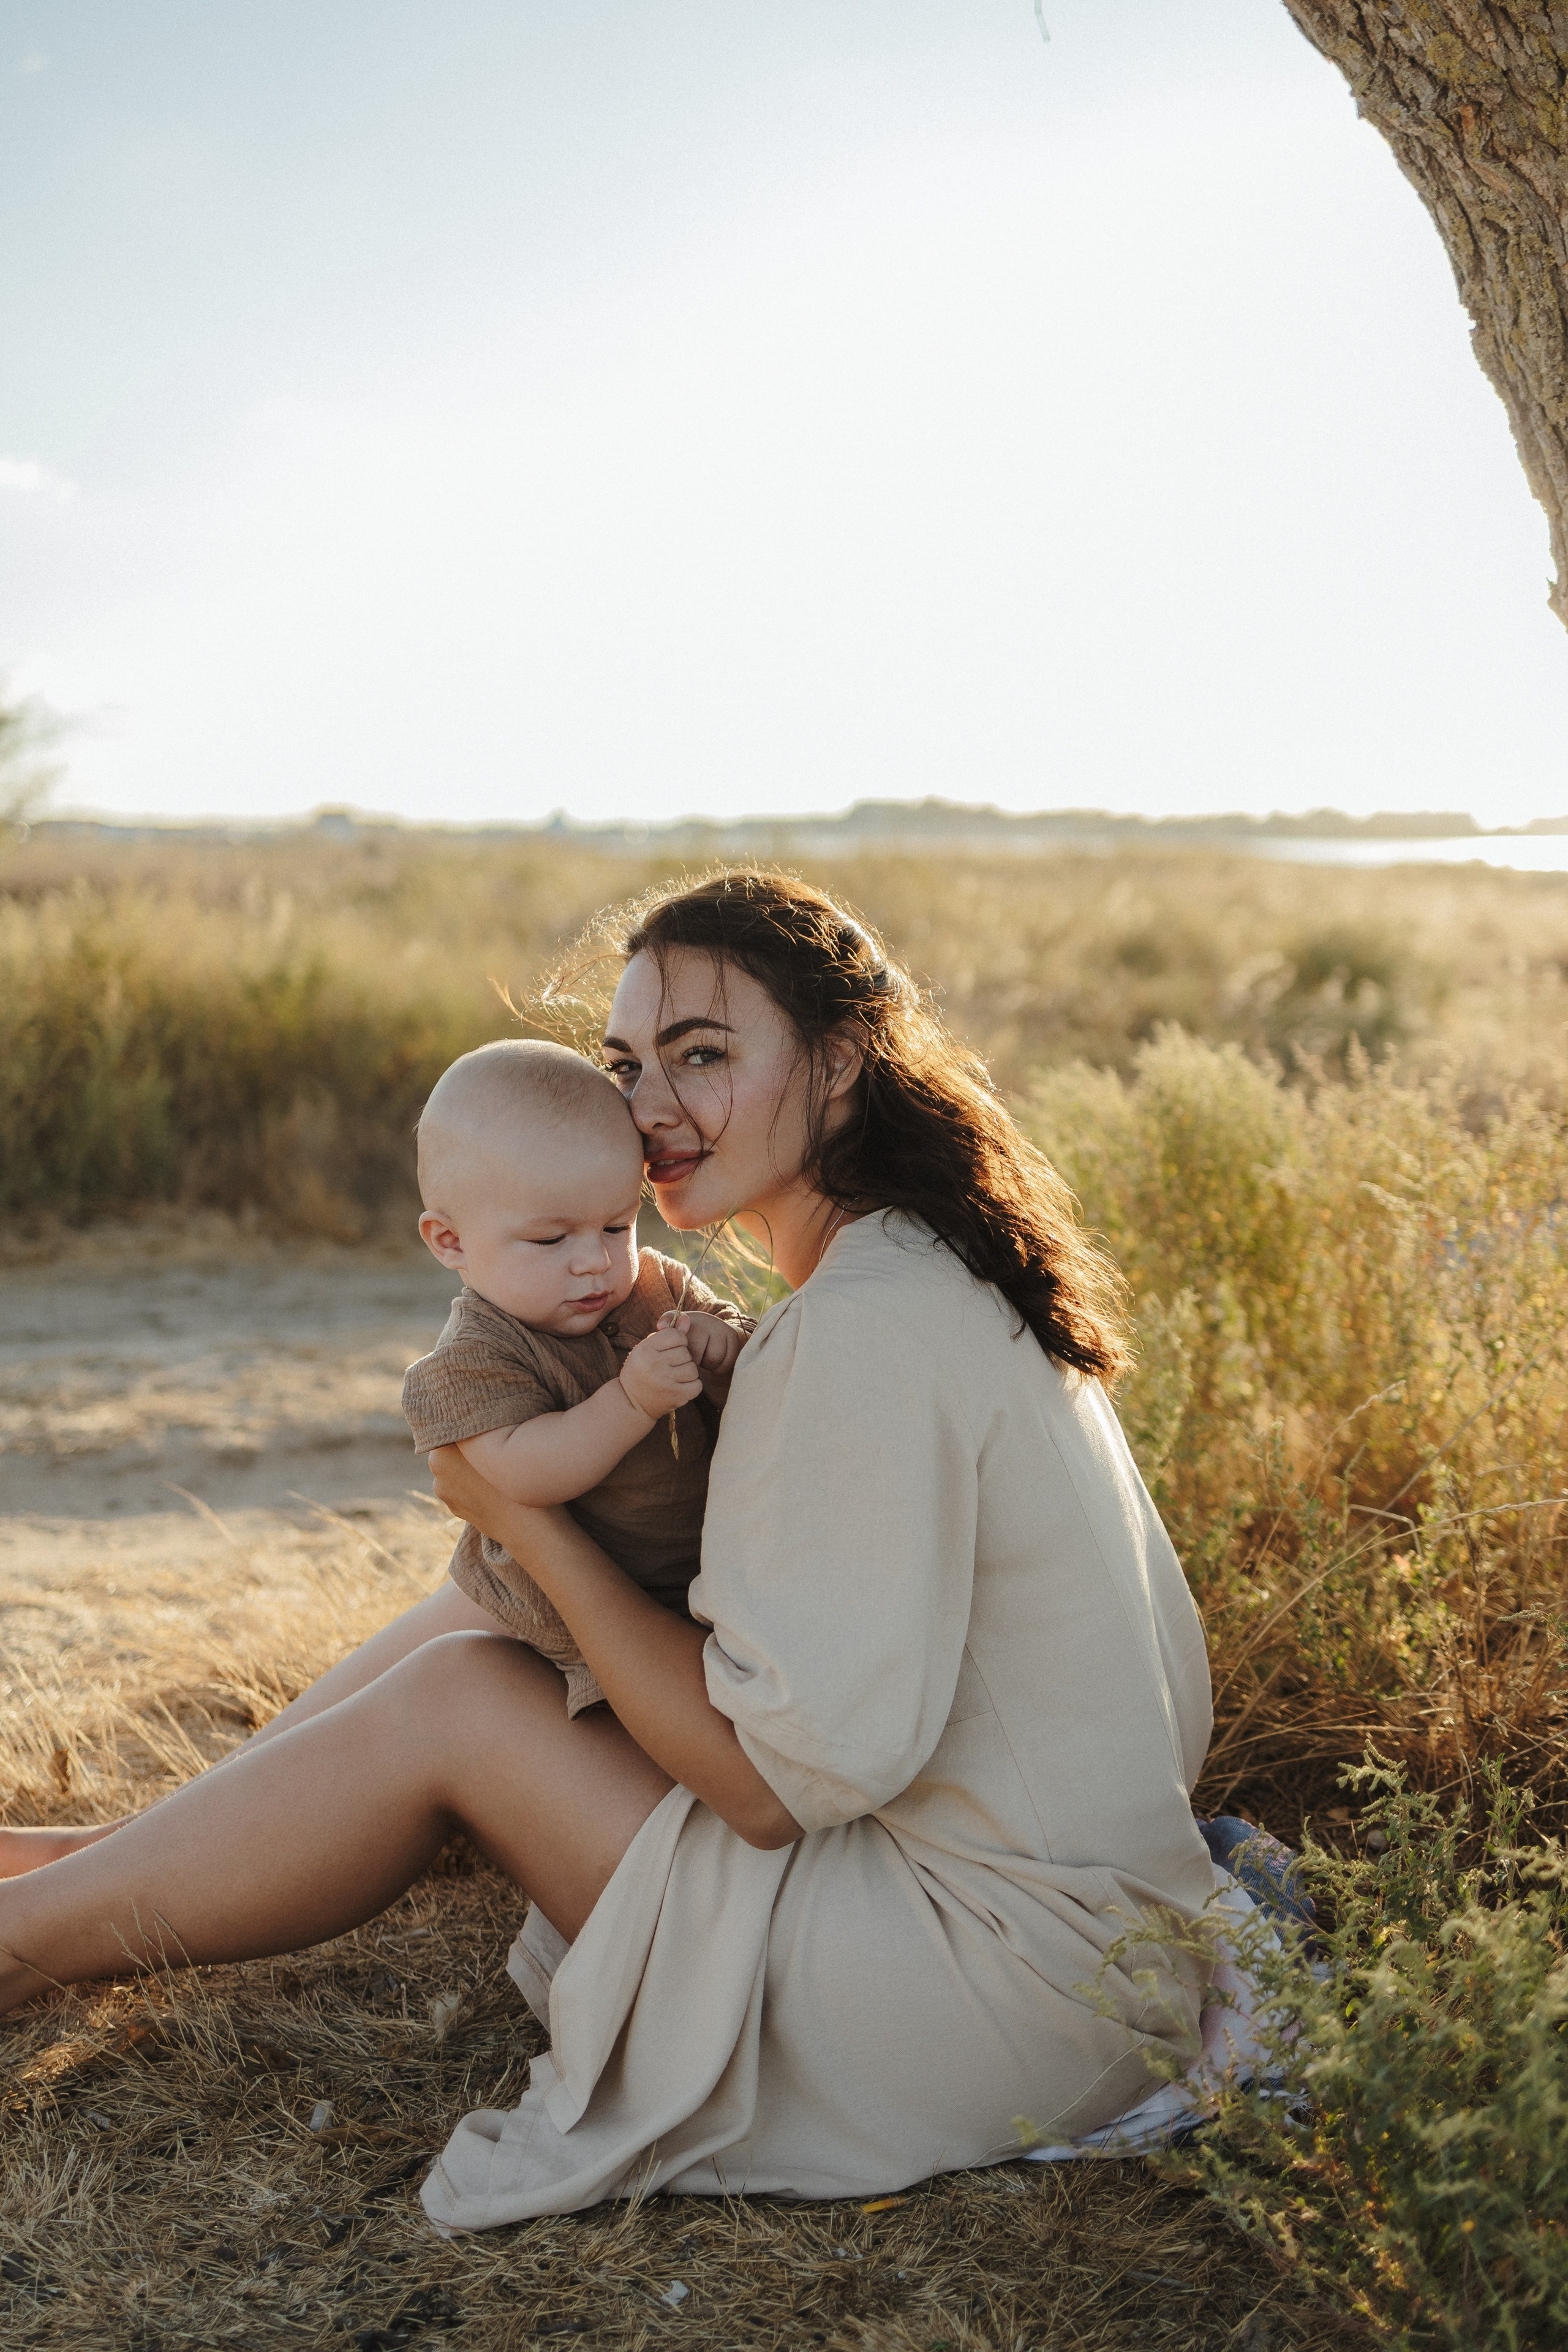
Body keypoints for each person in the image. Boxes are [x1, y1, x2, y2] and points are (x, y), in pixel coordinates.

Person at [0, 869, 1216, 2229]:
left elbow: (763, 1792)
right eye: (628, 1062)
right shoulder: (922, 1263)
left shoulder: (860, 1332)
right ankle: (95, 1860)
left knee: (464, 1690)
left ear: (838, 1060)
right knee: (480, 1623)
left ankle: (22, 1943)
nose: (648, 1112)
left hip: (996, 2000)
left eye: (702, 1056)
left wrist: (521, 1515)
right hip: (1095, 1940)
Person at [404, 1035, 752, 1713]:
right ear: (450, 1242)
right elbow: (523, 1476)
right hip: (565, 1622)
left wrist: (724, 1347)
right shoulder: (474, 1353)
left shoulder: (655, 1287)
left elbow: (752, 1376)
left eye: (617, 1227)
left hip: (698, 1587)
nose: (594, 1261)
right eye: (550, 1239)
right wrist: (631, 1400)